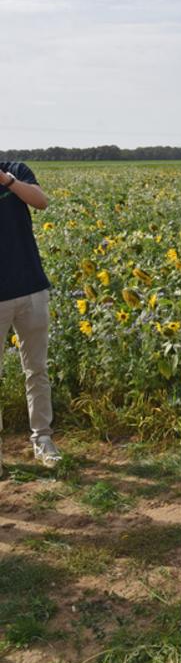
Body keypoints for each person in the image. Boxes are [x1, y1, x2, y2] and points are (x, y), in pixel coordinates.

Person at [0, 160, 60, 473]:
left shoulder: (16, 171)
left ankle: (43, 439)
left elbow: (41, 201)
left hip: (31, 289)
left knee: (36, 370)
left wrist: (5, 180)